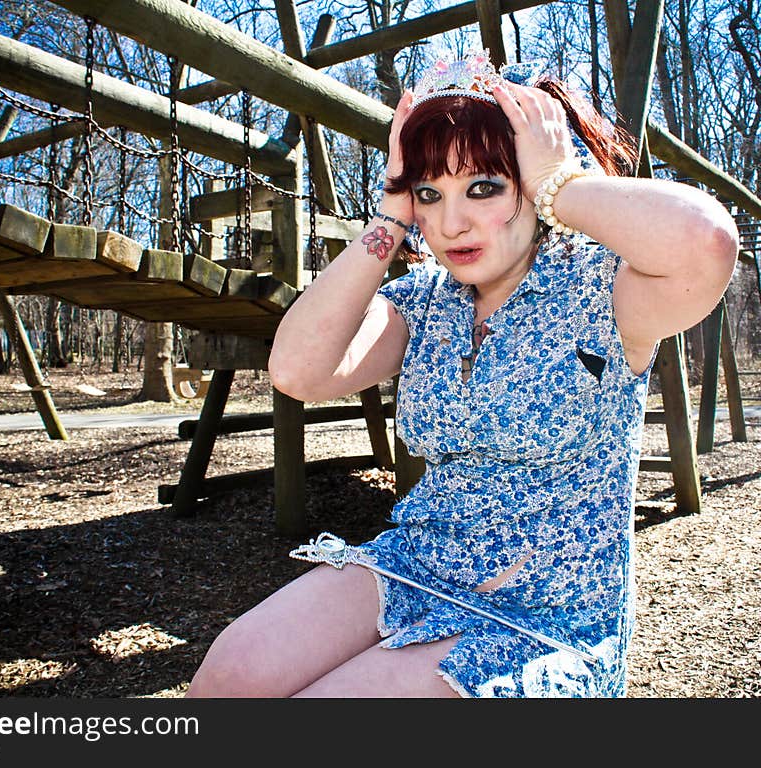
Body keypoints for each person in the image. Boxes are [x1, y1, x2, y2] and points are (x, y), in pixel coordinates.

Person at [184, 52, 739, 698]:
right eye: (430, 193)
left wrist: (562, 184)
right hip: (416, 564)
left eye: (483, 188)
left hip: (547, 618)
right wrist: (391, 217)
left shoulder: (600, 289)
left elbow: (708, 244)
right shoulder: (424, 302)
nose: (450, 224)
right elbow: (296, 369)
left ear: (529, 185)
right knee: (228, 677)